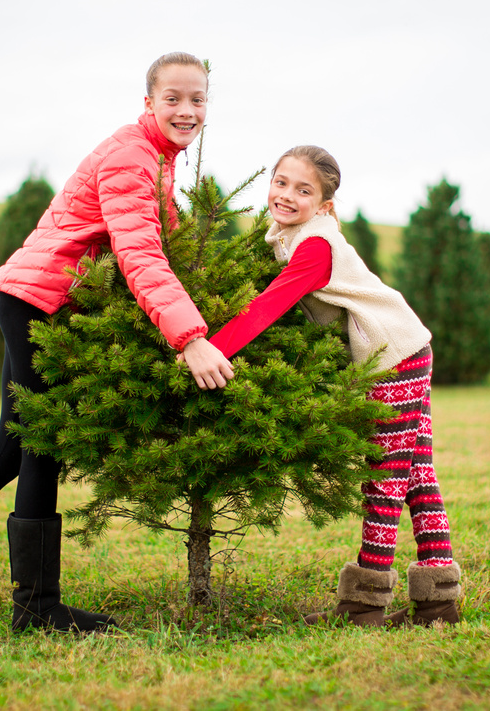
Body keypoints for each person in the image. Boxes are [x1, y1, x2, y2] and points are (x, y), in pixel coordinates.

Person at [0, 52, 235, 633]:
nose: (187, 110)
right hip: (39, 299)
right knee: (39, 443)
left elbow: (167, 235)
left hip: (32, 296)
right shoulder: (132, 157)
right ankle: (35, 607)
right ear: (149, 103)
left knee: (14, 447)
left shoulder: (154, 159)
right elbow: (141, 254)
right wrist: (190, 338)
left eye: (197, 100)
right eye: (174, 99)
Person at [188, 145, 462, 627]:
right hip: (407, 347)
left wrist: (210, 348)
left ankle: (363, 605)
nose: (287, 195)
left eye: (304, 189)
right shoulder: (292, 233)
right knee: (416, 472)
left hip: (394, 357)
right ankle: (438, 602)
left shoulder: (315, 246)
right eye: (281, 182)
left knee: (388, 475)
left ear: (325, 205)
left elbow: (269, 306)